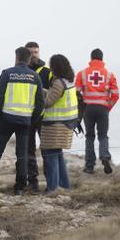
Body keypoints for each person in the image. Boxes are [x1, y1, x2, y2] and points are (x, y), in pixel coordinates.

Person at [0, 47, 45, 195]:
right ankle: (19, 187)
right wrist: (32, 119)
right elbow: (40, 103)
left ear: (16, 58)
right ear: (29, 59)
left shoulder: (7, 74)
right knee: (22, 154)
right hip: (25, 121)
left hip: (6, 119)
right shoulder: (35, 77)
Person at [76, 48, 120, 174]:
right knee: (103, 135)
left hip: (87, 109)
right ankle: (105, 157)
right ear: (102, 59)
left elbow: (76, 93)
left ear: (91, 59)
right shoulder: (109, 75)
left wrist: (80, 108)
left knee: (89, 136)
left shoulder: (82, 73)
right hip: (102, 109)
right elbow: (116, 95)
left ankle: (89, 166)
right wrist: (107, 107)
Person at [41, 54, 80, 194]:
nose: (50, 68)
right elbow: (56, 96)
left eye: (52, 66)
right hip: (66, 124)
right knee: (57, 154)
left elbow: (48, 102)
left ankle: (52, 188)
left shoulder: (58, 83)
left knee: (51, 156)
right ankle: (64, 185)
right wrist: (46, 91)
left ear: (56, 67)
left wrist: (38, 94)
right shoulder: (69, 81)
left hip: (55, 125)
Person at [25, 42, 54, 192]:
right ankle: (33, 182)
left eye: (36, 52)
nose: (34, 55)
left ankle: (50, 184)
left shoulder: (47, 72)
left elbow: (55, 93)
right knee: (28, 150)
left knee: (46, 150)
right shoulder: (21, 72)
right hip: (26, 117)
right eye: (31, 52)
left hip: (44, 117)